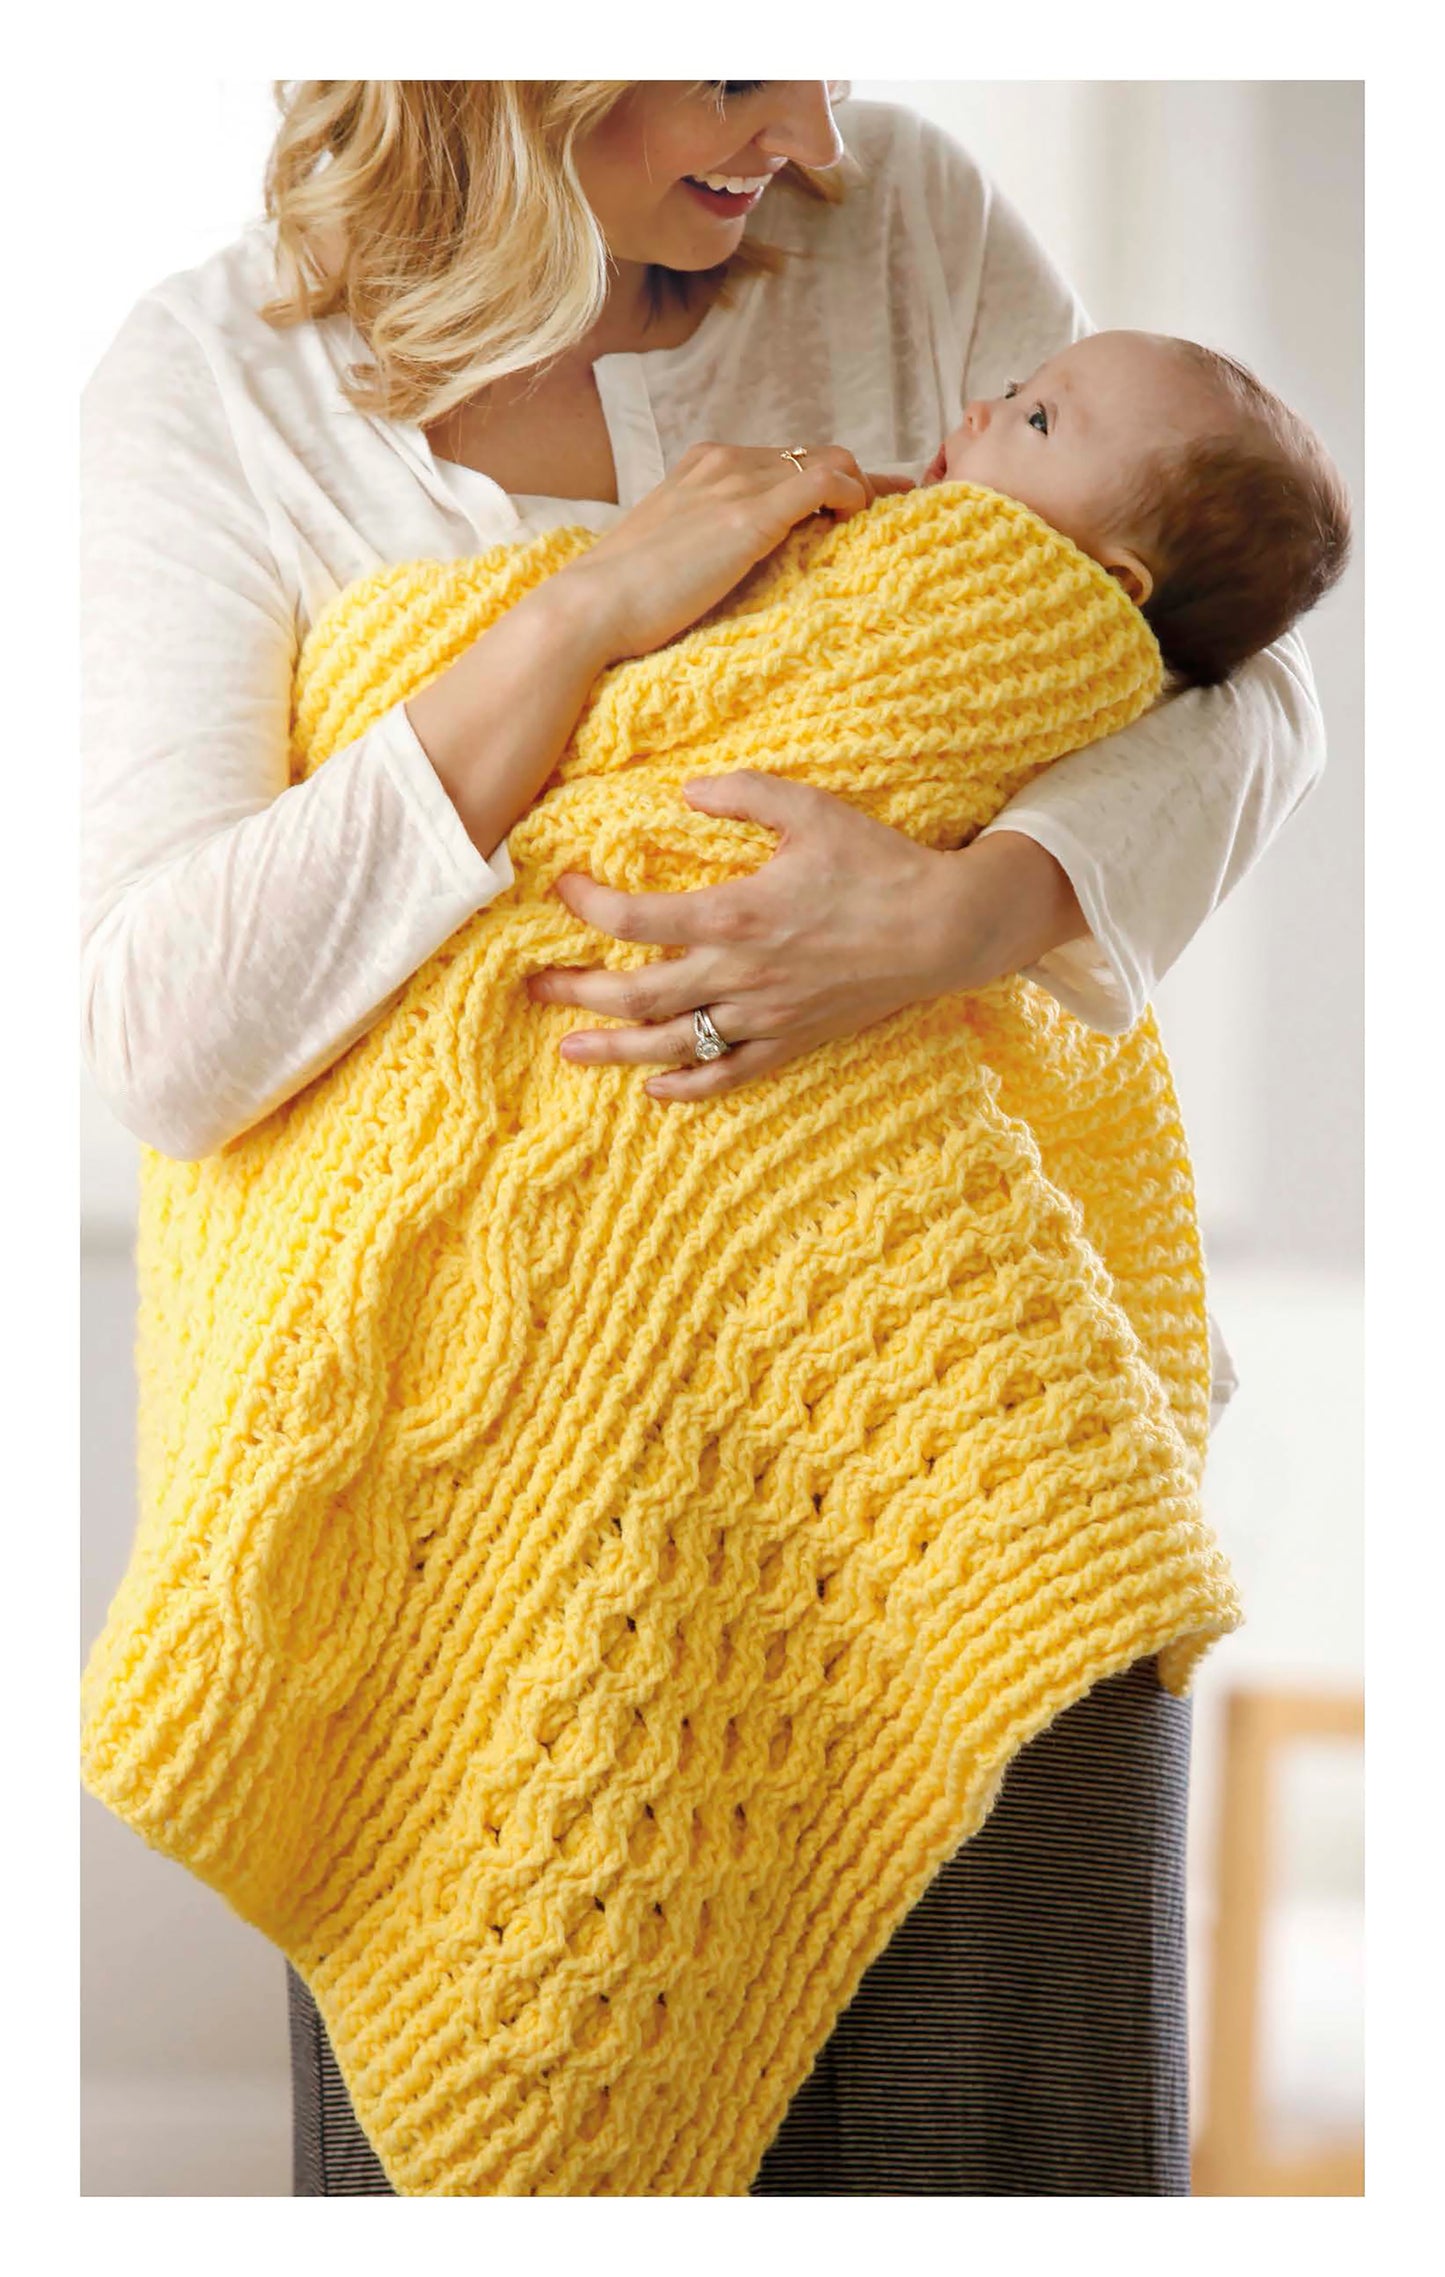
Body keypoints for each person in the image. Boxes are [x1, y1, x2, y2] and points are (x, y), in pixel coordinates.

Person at [80, 82, 1329, 2196]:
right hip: (474, 1564)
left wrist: (965, 911)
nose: (812, 130)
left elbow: (1236, 673)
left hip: (969, 1496)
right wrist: (575, 620)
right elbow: (163, 1033)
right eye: (743, 63)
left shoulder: (896, 218)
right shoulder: (217, 387)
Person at [917, 329, 1351, 688]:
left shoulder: (987, 681)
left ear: (1111, 581)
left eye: (1039, 420)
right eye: (1014, 391)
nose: (977, 411)